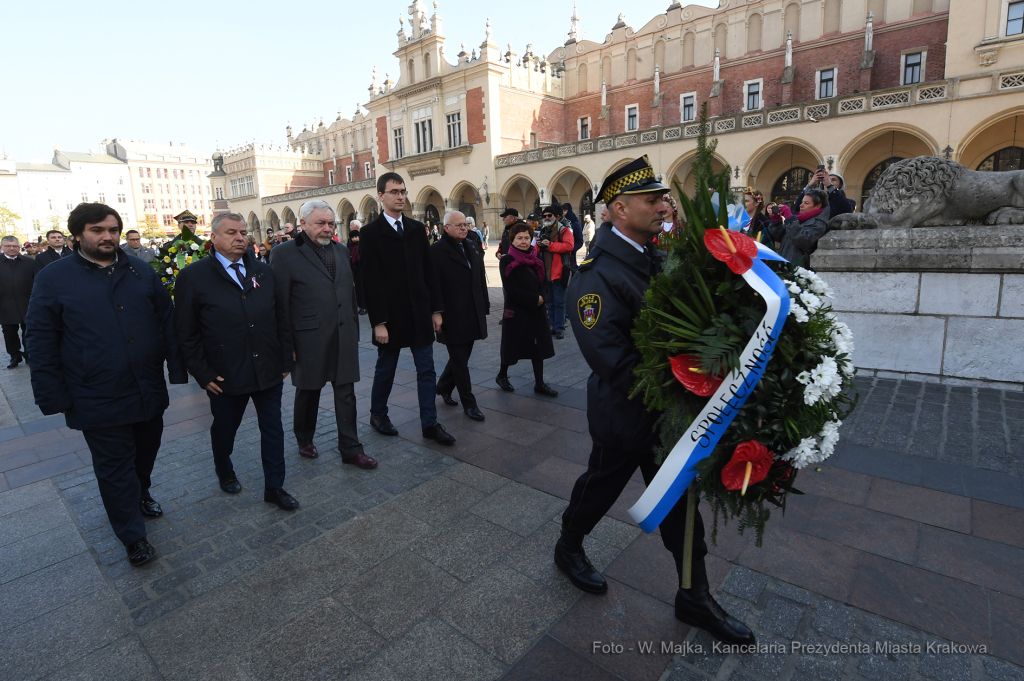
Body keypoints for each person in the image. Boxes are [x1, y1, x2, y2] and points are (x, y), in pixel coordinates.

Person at [557, 155, 755, 646]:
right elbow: (612, 361)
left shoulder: (653, 255)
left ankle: (694, 596)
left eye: (663, 196)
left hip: (672, 416)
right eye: (654, 199)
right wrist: (683, 391)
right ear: (619, 209)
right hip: (626, 416)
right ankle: (569, 544)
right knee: (600, 488)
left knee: (681, 507)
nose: (666, 204)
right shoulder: (595, 275)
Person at [26, 202, 187, 567]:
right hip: (94, 394)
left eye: (112, 229)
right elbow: (40, 338)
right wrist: (53, 395)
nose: (107, 236)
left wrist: (177, 370)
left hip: (146, 388)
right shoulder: (54, 277)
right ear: (78, 235)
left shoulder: (140, 271)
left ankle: (141, 492)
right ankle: (132, 535)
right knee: (114, 467)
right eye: (98, 230)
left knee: (145, 454)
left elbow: (168, 321)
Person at [174, 212, 299, 511]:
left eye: (243, 232)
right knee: (225, 427)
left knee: (273, 429)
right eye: (231, 232)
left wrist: (285, 358)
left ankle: (275, 486)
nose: (240, 237)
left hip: (267, 367)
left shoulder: (263, 271)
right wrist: (202, 374)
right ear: (213, 238)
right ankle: (224, 466)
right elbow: (185, 332)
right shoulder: (194, 276)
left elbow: (280, 317)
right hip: (225, 374)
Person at [271, 200, 376, 468]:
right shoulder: (284, 254)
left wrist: (353, 325)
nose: (327, 228)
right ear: (303, 224)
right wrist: (287, 345)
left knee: (346, 392)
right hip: (307, 338)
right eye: (321, 223)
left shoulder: (341, 250)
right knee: (308, 391)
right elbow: (280, 304)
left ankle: (350, 447)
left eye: (331, 223)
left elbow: (348, 291)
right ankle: (304, 438)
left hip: (343, 333)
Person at [360, 172, 455, 445]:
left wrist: (436, 309)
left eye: (403, 191)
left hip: (420, 313)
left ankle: (430, 423)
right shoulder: (370, 234)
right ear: (381, 196)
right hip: (390, 317)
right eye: (394, 192)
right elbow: (370, 281)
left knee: (427, 369)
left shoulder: (416, 229)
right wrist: (378, 321)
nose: (400, 196)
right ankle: (378, 414)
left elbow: (429, 273)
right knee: (386, 368)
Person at [431, 210, 489, 422]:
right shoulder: (436, 251)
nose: (464, 228)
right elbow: (433, 285)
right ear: (446, 228)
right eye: (459, 225)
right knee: (460, 361)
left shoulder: (471, 245)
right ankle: (469, 404)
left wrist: (485, 303)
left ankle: (443, 386)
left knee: (461, 357)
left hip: (472, 310)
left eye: (465, 224)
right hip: (452, 314)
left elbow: (479, 277)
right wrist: (436, 312)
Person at [496, 221, 557, 396]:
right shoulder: (507, 260)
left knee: (537, 347)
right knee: (511, 346)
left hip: (536, 310)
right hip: (517, 311)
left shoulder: (536, 259)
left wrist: (542, 297)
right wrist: (534, 299)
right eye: (519, 238)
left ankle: (540, 383)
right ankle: (502, 375)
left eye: (527, 238)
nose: (523, 241)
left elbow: (544, 282)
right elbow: (511, 290)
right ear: (512, 240)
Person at [537, 204, 575, 340]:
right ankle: (554, 326)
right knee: (551, 303)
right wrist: (539, 244)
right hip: (546, 273)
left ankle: (560, 328)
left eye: (549, 215)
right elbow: (537, 250)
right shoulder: (542, 231)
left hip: (559, 272)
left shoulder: (564, 231)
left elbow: (569, 246)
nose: (546, 218)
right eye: (544, 216)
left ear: (556, 217)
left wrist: (551, 245)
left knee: (559, 302)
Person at [769, 188, 831, 266]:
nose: (801, 205)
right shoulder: (799, 218)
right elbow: (780, 236)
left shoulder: (819, 223)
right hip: (786, 266)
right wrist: (776, 220)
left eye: (806, 203)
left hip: (800, 270)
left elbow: (802, 240)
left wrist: (789, 218)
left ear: (818, 206)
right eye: (802, 202)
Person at [0, 237, 34, 369]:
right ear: (2, 247)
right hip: (4, 304)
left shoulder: (29, 262)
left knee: (28, 330)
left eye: (14, 246)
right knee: (9, 332)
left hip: (27, 302)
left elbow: (36, 280)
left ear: (19, 247)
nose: (11, 248)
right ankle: (14, 356)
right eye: (8, 246)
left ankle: (29, 354)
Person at [347, 220, 366, 314]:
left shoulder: (362, 244)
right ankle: (360, 305)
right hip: (355, 270)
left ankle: (364, 306)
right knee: (357, 288)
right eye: (352, 237)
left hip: (362, 269)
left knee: (363, 288)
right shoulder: (350, 245)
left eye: (355, 237)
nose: (354, 239)